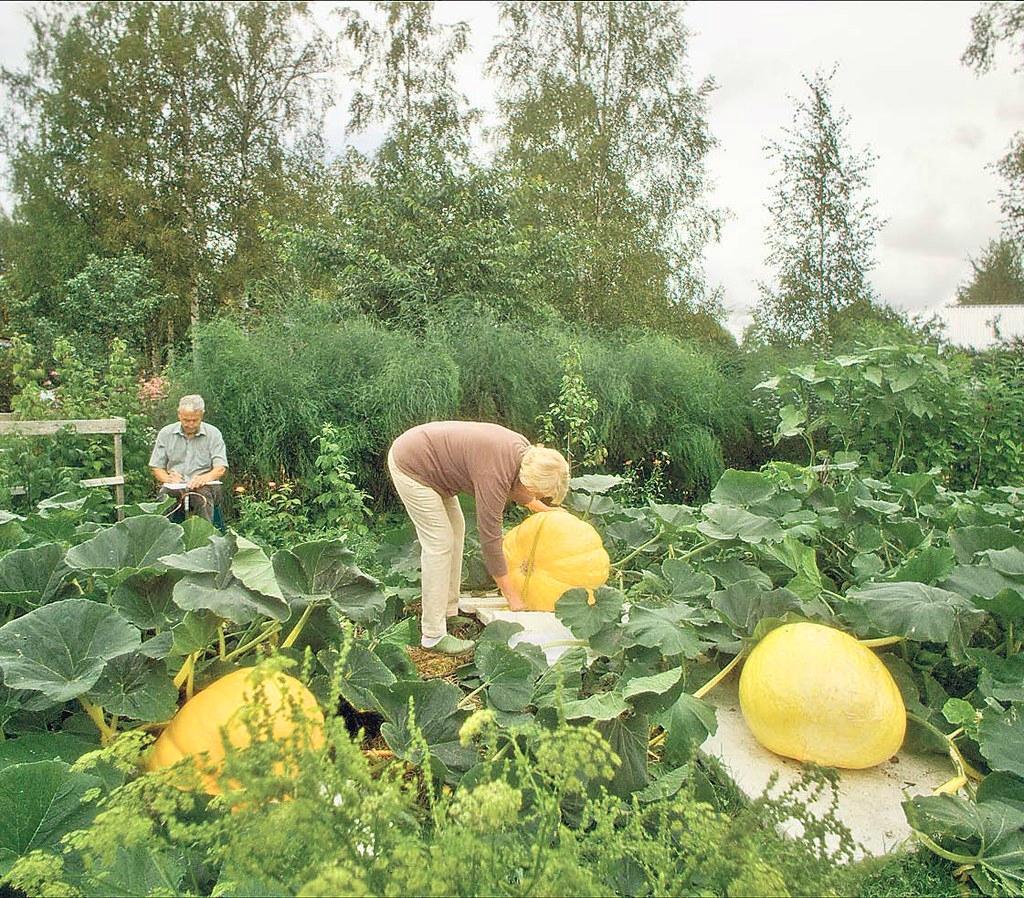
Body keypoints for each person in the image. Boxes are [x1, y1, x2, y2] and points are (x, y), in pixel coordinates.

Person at [388, 421, 570, 654]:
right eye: (538, 493)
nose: (537, 497)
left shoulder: (525, 453)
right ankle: (432, 635)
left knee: (457, 529)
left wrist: (540, 508)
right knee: (440, 542)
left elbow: (517, 484)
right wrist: (513, 597)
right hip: (411, 464)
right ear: (530, 480)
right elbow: (491, 540)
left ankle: (448, 612)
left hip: (433, 467)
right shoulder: (493, 474)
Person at [149, 394, 228, 522]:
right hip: (175, 485)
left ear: (201, 415)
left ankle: (204, 537)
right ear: (179, 414)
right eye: (186, 420)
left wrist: (204, 478)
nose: (190, 424)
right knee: (165, 497)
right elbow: (156, 467)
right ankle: (163, 536)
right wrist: (168, 479)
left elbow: (220, 468)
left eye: (195, 420)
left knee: (201, 496)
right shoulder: (166, 433)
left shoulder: (213, 434)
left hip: (205, 485)